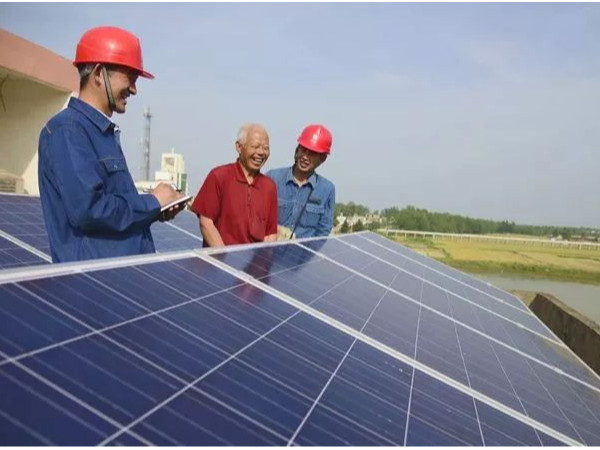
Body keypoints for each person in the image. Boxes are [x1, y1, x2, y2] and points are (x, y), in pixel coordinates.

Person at [38, 26, 185, 263]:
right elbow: (90, 210)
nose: (134, 90)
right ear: (98, 73)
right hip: (92, 286)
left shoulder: (102, 134)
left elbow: (116, 212)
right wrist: (153, 201)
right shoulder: (68, 131)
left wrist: (155, 210)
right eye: (130, 77)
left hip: (119, 278)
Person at [190, 123, 278, 247]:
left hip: (253, 264)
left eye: (265, 148)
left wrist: (262, 263)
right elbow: (206, 222)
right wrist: (225, 259)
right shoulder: (219, 176)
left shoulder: (269, 187)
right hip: (219, 262)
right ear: (239, 147)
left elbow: (270, 235)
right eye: (255, 146)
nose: (261, 152)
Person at [266, 124, 335, 239]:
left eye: (312, 153)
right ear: (297, 150)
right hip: (270, 253)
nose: (305, 156)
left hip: (304, 256)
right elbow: (256, 217)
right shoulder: (273, 178)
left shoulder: (327, 190)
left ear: (322, 159)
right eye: (303, 150)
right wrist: (276, 229)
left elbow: (322, 233)